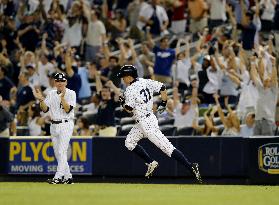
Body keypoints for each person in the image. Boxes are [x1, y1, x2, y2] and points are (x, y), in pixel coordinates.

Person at [116, 65, 202, 183]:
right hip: (145, 120)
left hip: (147, 123)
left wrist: (122, 103)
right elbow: (162, 87)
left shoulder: (130, 89)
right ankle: (151, 163)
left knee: (167, 147)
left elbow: (129, 109)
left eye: (124, 77)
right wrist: (164, 102)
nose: (123, 79)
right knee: (129, 142)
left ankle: (191, 166)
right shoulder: (144, 81)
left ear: (129, 77)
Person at [33, 72, 76, 184]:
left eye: (62, 81)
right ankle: (68, 177)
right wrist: (41, 100)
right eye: (57, 81)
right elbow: (45, 110)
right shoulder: (51, 93)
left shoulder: (71, 93)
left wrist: (62, 98)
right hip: (54, 124)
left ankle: (58, 177)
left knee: (62, 151)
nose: (60, 83)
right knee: (58, 153)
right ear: (55, 82)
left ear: (66, 82)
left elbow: (67, 109)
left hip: (66, 123)